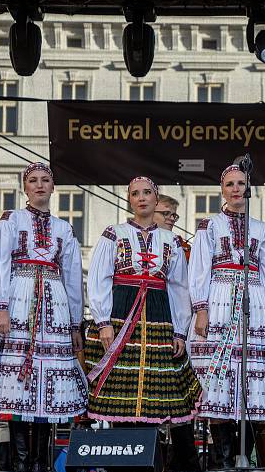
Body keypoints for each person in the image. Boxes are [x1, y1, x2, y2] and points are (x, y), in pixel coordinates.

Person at [0, 162, 86, 472]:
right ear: (25, 187)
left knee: (48, 377)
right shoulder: (11, 220)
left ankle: (41, 461)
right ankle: (21, 460)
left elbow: (74, 278)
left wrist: (76, 323)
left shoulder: (64, 229)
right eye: (33, 180)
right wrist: (1, 306)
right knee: (17, 382)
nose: (39, 185)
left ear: (53, 187)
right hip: (18, 300)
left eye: (45, 180)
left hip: (54, 303)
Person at [86, 177, 200, 430]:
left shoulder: (172, 242)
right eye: (136, 193)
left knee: (154, 385)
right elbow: (98, 279)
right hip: (121, 311)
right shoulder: (113, 234)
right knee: (121, 385)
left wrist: (180, 329)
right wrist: (103, 321)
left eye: (147, 192)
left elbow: (179, 287)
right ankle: (123, 460)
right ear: (130, 199)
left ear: (155, 199)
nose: (142, 197)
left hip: (158, 314)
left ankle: (150, 455)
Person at [188, 162, 265, 469]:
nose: (236, 189)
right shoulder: (209, 226)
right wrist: (200, 308)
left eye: (241, 183)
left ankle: (246, 459)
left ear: (248, 188)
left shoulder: (261, 229)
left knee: (251, 381)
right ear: (222, 189)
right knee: (219, 380)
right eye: (230, 184)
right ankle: (224, 461)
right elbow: (199, 268)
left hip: (253, 301)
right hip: (219, 299)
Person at [149, 193, 199, 471]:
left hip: (175, 325)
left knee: (180, 393)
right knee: (151, 394)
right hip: (149, 323)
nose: (171, 219)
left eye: (173, 215)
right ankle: (152, 459)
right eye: (166, 213)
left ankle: (185, 461)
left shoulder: (180, 247)